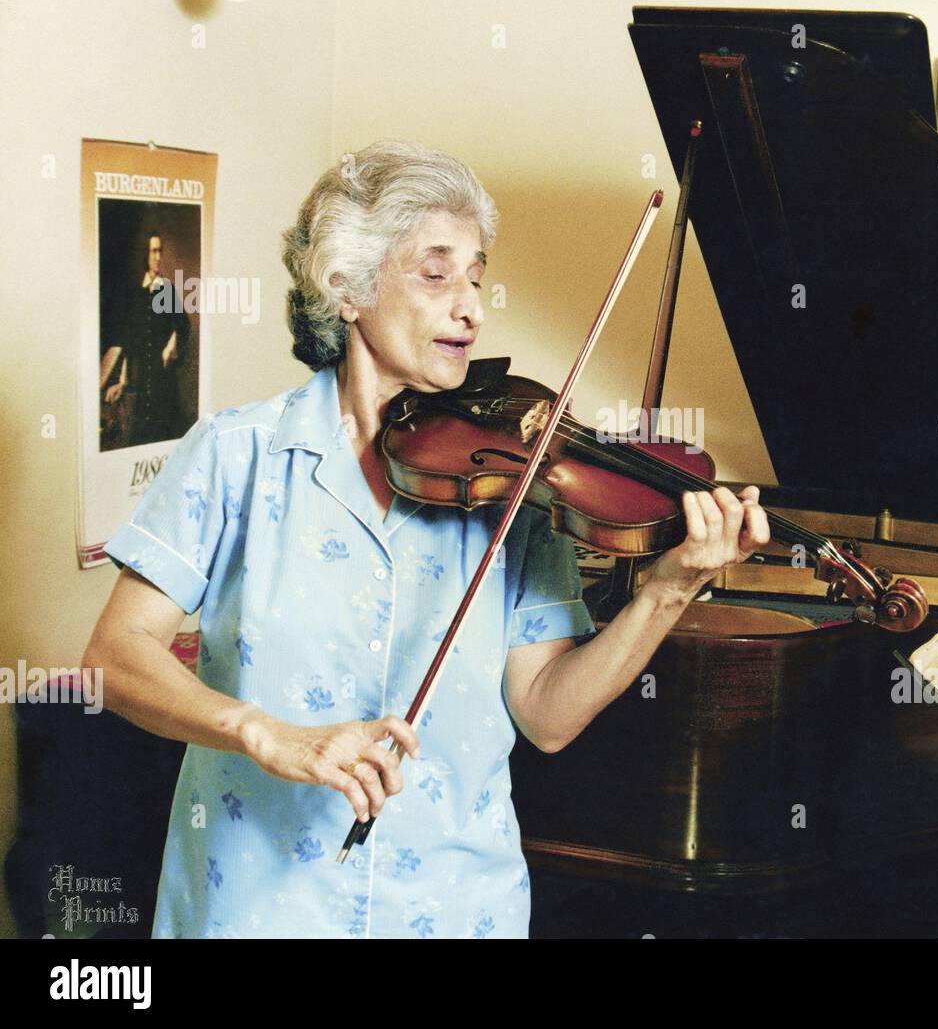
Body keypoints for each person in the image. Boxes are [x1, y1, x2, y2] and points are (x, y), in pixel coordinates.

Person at [85, 141, 769, 938]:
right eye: (435, 273)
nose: (472, 306)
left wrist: (670, 588)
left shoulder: (516, 484)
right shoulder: (236, 455)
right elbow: (115, 657)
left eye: (476, 275)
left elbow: (547, 715)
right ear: (346, 288)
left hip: (454, 908)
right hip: (257, 905)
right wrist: (266, 734)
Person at [100, 232, 187, 448]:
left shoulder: (165, 289)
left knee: (164, 437)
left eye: (160, 251)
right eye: (153, 251)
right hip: (140, 381)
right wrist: (122, 380)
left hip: (163, 380)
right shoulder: (134, 292)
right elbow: (128, 340)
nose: (158, 257)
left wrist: (170, 347)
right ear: (144, 254)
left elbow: (183, 325)